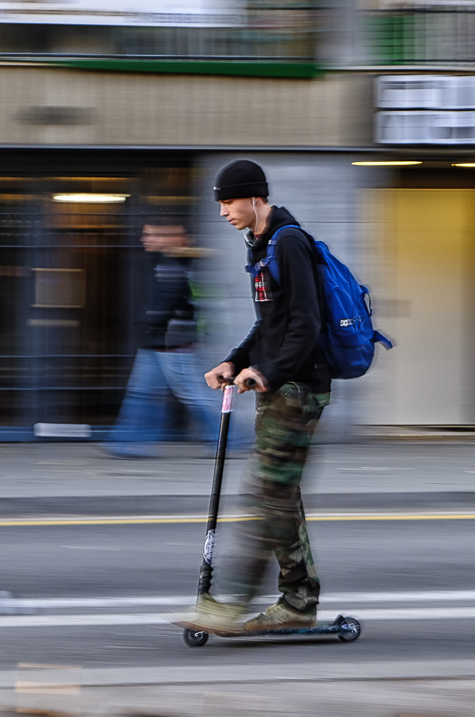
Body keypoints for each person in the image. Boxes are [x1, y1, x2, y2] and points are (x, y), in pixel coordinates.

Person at [190, 159, 331, 633]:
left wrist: (267, 373)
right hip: (278, 385)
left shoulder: (288, 242)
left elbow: (306, 324)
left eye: (229, 202)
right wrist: (235, 360)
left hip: (297, 388)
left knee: (267, 496)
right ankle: (299, 600)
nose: (223, 211)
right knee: (280, 497)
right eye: (220, 203)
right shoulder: (262, 244)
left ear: (255, 198)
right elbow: (270, 323)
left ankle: (236, 603)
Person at [106, 221, 220, 458]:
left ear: (167, 238)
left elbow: (168, 301)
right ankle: (128, 440)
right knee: (142, 392)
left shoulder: (173, 265)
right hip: (158, 341)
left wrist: (147, 319)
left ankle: (229, 437)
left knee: (191, 393)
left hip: (172, 342)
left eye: (150, 235)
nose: (143, 239)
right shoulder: (164, 262)